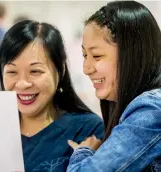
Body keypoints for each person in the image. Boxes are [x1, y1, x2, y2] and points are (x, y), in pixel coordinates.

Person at [0, 20, 104, 172]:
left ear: (60, 71)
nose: (22, 84)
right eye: (12, 72)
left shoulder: (87, 130)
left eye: (35, 71)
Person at [67, 1, 161, 171]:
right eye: (84, 55)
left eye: (96, 56)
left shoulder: (151, 110)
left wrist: (83, 151)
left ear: (132, 56)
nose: (86, 68)